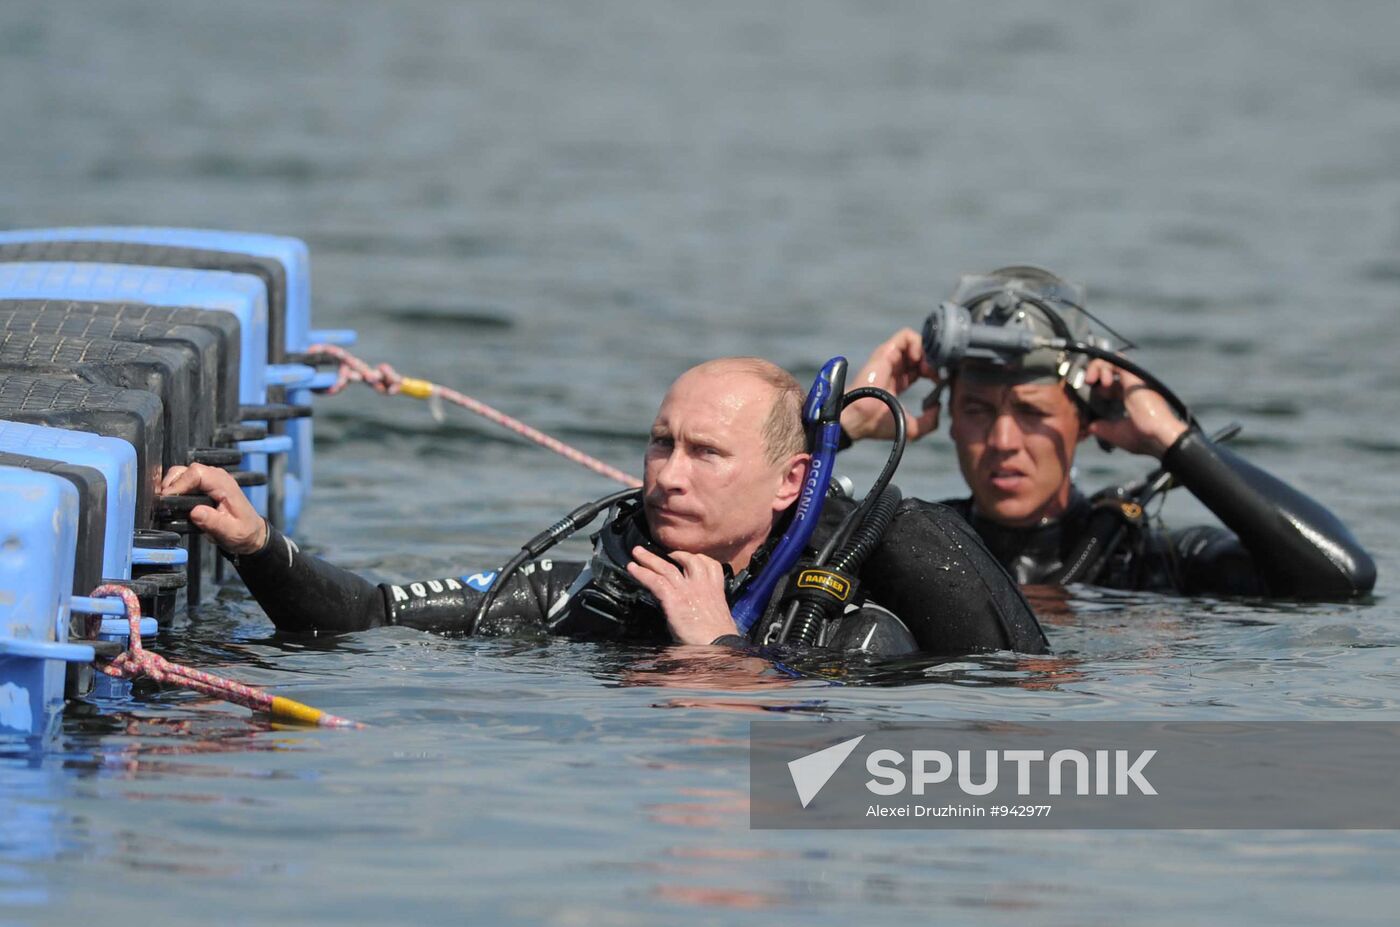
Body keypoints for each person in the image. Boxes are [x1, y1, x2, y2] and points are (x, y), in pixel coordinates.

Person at [162, 357, 1048, 656]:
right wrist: (255, 541)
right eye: (663, 443)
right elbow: (367, 615)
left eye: (706, 453)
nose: (669, 474)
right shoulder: (594, 589)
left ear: (789, 482)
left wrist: (718, 648)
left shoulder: (856, 633)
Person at [839, 267, 1376, 597]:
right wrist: (847, 425)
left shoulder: (1144, 563)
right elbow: (760, 545)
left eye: (1033, 413)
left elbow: (1341, 577)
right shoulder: (908, 543)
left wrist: (1175, 442)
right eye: (978, 411)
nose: (1003, 441)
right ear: (949, 420)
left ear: (1084, 422)